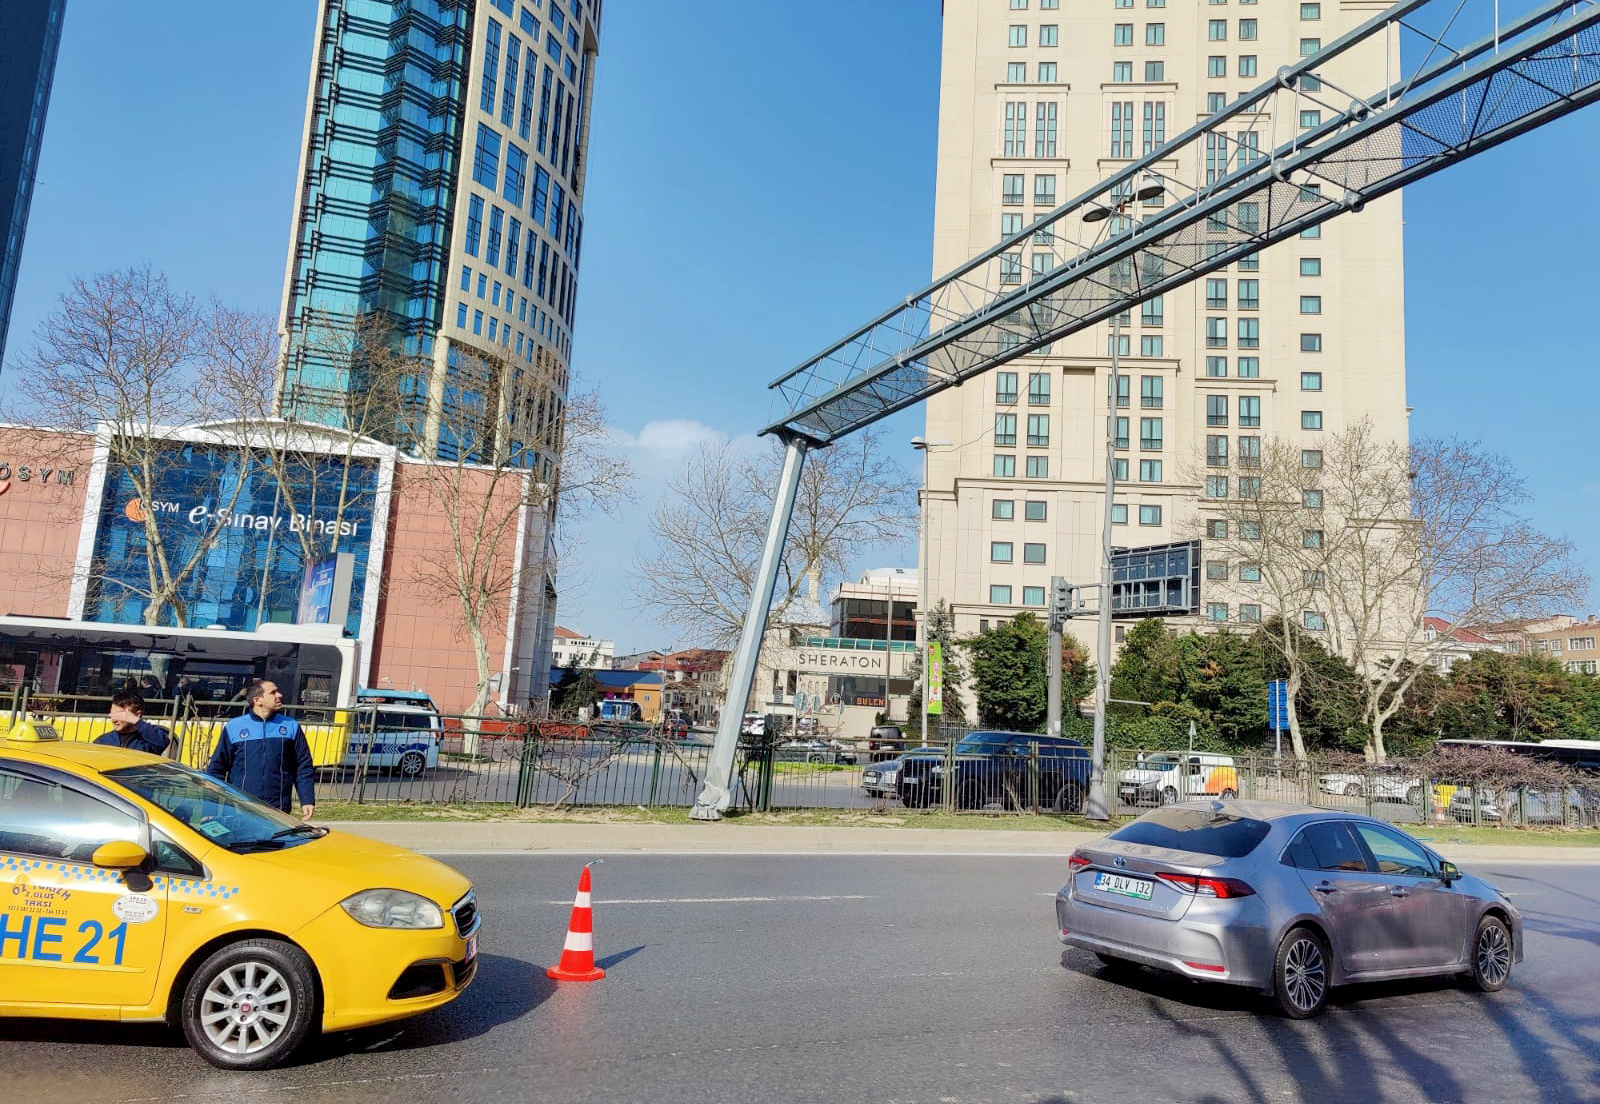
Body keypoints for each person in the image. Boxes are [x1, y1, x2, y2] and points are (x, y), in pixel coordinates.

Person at [204, 679, 316, 819]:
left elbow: (303, 766)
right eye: (273, 692)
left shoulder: (290, 726)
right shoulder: (235, 727)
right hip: (241, 808)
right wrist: (209, 810)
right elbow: (216, 769)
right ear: (257, 700)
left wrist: (307, 799)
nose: (280, 695)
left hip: (278, 809)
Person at [94, 691, 171, 756]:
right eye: (112, 714)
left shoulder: (148, 740)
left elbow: (162, 743)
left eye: (120, 715)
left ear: (137, 715)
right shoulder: (103, 741)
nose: (114, 720)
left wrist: (137, 722)